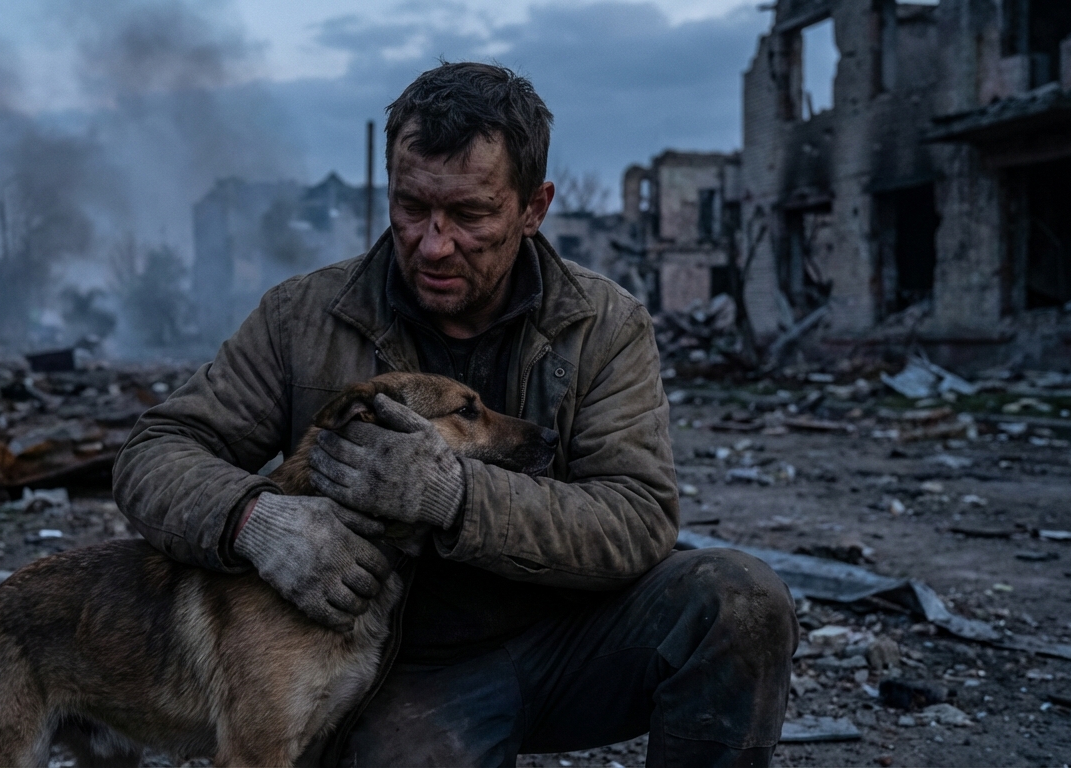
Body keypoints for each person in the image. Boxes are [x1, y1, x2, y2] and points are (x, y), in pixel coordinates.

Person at [115, 61, 797, 767]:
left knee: (740, 602)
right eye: (412, 207)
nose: (434, 243)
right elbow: (157, 450)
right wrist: (255, 522)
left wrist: (453, 496)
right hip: (405, 670)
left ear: (534, 208)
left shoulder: (604, 324)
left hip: (572, 640)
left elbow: (637, 517)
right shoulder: (303, 317)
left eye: (470, 215)